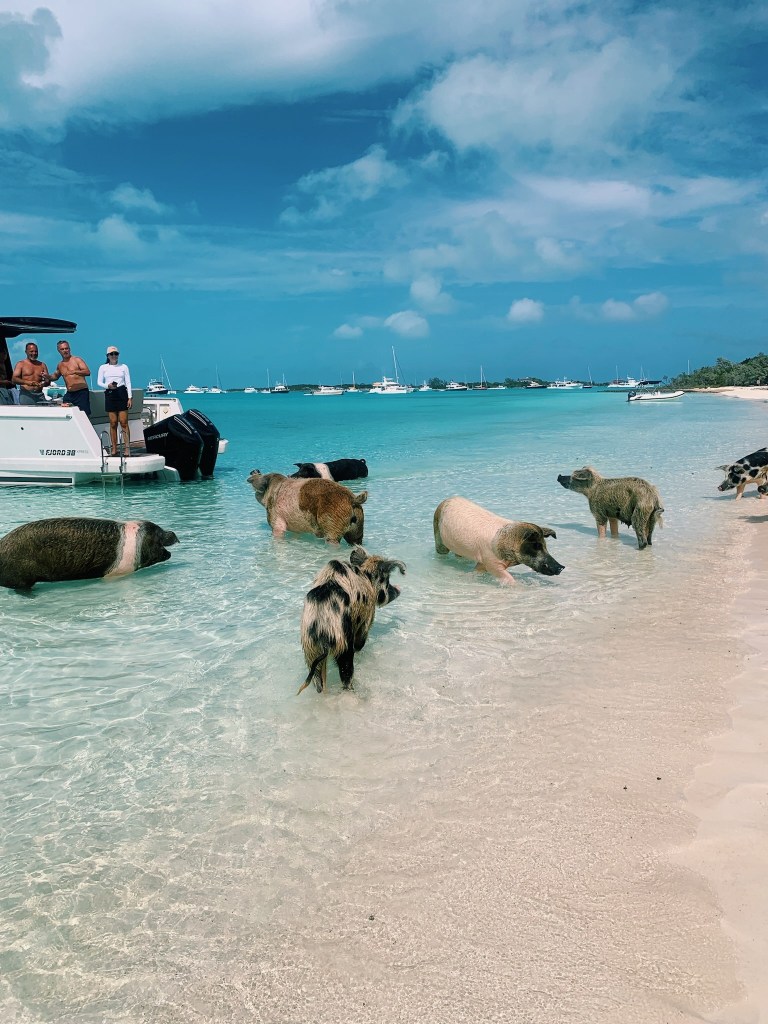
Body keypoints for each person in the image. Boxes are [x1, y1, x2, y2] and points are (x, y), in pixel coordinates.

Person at [97, 345, 133, 456]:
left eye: (116, 354)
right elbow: (99, 382)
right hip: (110, 393)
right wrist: (107, 386)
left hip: (122, 393)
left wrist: (129, 397)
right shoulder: (103, 367)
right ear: (107, 356)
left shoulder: (124, 367)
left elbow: (128, 382)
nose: (114, 356)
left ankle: (127, 448)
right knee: (113, 423)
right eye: (111, 354)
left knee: (123, 422)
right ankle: (114, 447)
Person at [49, 339, 91, 416]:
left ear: (69, 349)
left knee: (84, 415)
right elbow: (55, 376)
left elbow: (87, 372)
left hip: (81, 392)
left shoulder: (77, 360)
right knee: (66, 413)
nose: (65, 351)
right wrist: (47, 376)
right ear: (59, 351)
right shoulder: (60, 365)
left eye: (66, 348)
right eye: (62, 349)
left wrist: (75, 372)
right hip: (69, 394)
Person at [0, 336, 15, 405]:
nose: (5, 355)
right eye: (3, 353)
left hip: (5, 389)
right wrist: (4, 382)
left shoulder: (3, 364)